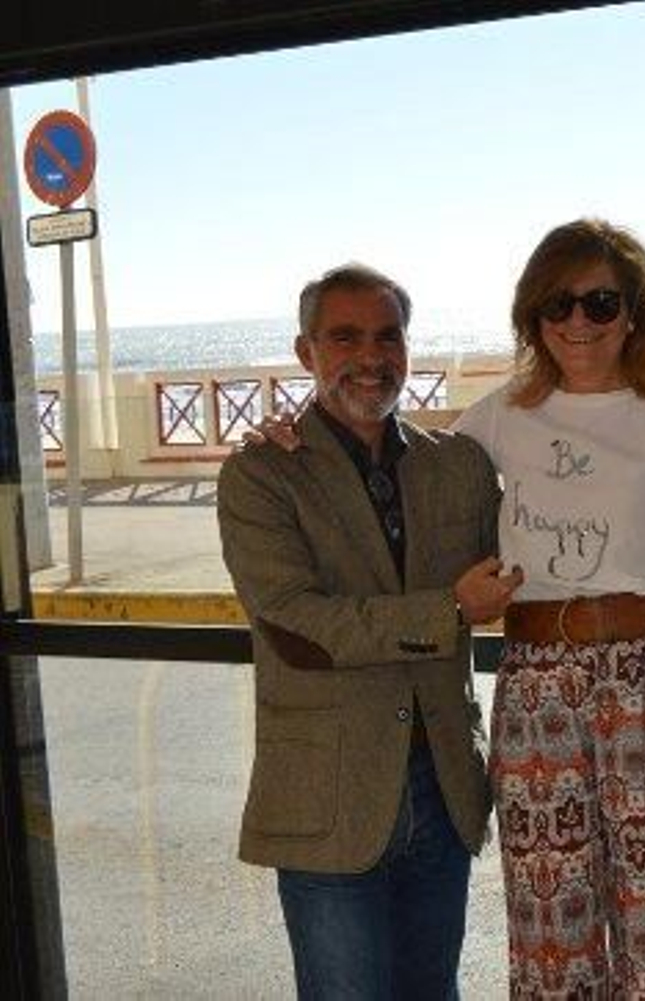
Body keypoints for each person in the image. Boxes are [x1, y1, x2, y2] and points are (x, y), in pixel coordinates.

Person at [451, 219, 645, 997]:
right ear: (532, 317)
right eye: (557, 305)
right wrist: (294, 434)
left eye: (600, 303)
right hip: (536, 685)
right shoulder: (501, 414)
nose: (577, 322)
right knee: (554, 930)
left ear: (634, 314)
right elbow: (416, 485)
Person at [218, 263, 521, 998]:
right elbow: (298, 626)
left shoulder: (462, 466)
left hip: (442, 784)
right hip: (329, 796)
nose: (371, 355)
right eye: (344, 336)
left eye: (389, 336)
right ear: (305, 351)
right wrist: (447, 611)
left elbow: (541, 542)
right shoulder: (261, 475)